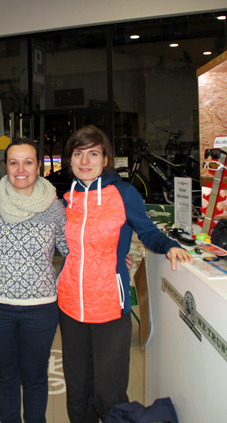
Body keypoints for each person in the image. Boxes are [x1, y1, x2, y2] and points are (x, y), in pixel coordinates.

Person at [57, 125, 192, 422]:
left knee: (109, 391)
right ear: (70, 160)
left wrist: (169, 245)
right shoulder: (66, 199)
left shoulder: (124, 193)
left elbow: (148, 232)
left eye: (93, 154)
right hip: (70, 306)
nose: (85, 161)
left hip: (109, 306)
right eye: (78, 154)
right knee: (78, 391)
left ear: (106, 159)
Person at [0, 137, 67, 423]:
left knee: (35, 378)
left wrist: (114, 258)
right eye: (14, 163)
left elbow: (72, 250)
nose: (20, 169)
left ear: (39, 166)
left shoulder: (54, 208)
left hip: (40, 308)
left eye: (28, 162)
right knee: (5, 378)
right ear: (6, 166)